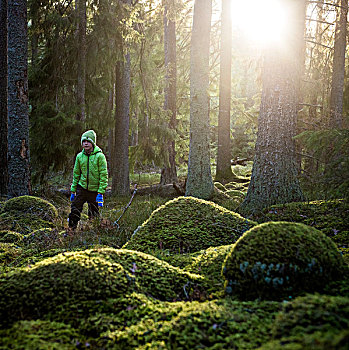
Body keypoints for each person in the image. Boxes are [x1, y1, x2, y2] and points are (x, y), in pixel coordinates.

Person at [68, 129, 108, 230]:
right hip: (81, 188)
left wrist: (101, 192)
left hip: (94, 190)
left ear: (93, 142)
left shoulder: (100, 156)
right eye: (84, 142)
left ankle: (93, 232)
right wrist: (73, 190)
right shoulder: (79, 156)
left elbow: (104, 174)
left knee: (94, 213)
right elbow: (76, 173)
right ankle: (71, 230)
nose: (86, 143)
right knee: (75, 209)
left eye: (88, 141)